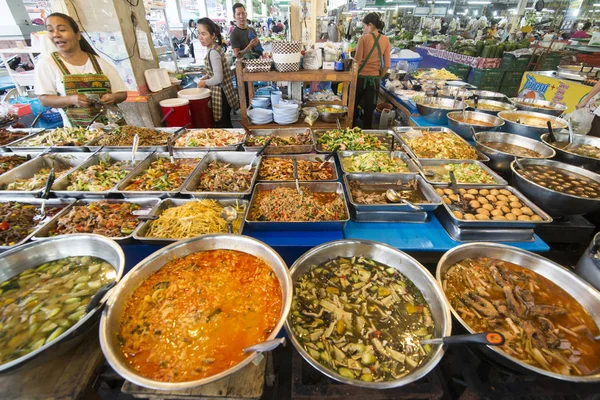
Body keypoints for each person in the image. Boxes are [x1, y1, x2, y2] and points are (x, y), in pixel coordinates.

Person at [34, 12, 127, 128]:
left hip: (112, 128)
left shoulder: (99, 62)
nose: (56, 35)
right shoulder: (47, 64)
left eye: (62, 30)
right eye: (51, 30)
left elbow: (122, 94)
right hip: (79, 134)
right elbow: (44, 99)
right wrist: (71, 99)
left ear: (77, 35)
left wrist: (113, 98)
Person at [196, 18, 240, 128]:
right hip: (225, 92)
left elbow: (218, 78)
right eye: (198, 33)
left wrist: (204, 83)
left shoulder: (213, 52)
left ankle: (232, 144)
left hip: (221, 94)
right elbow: (215, 72)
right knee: (226, 124)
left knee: (223, 126)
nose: (200, 37)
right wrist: (206, 77)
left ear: (212, 35)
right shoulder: (215, 47)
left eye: (204, 34)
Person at [353, 13, 390, 129]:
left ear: (370, 25)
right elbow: (386, 65)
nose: (364, 29)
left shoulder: (363, 39)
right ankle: (367, 138)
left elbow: (357, 63)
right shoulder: (386, 40)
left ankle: (350, 132)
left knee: (353, 108)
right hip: (374, 81)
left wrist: (351, 77)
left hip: (360, 79)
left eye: (365, 26)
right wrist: (378, 78)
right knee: (369, 112)